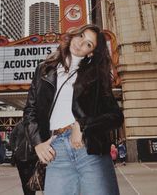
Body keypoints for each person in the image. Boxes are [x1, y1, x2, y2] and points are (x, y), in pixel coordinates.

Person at [24, 23, 124, 195]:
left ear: (90, 52)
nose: (81, 43)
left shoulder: (97, 76)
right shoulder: (44, 69)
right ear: (74, 34)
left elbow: (116, 116)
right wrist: (37, 142)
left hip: (89, 149)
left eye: (88, 44)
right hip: (56, 150)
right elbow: (30, 110)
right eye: (81, 36)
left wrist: (83, 125)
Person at [10, 120, 37, 195]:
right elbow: (12, 137)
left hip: (33, 157)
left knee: (31, 180)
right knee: (24, 180)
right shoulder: (19, 125)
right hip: (20, 158)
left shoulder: (35, 124)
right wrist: (14, 149)